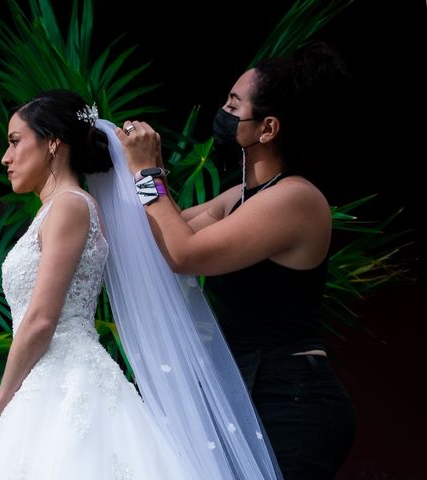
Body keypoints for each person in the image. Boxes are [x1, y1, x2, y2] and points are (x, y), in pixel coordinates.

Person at [117, 41, 357, 479]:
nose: (223, 112)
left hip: (292, 399)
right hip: (253, 393)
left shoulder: (295, 199)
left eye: (233, 104)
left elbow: (183, 253)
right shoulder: (241, 198)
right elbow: (161, 232)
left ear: (267, 129)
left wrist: (147, 174)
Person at [0, 89, 192, 479]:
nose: (6, 158)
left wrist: (2, 400)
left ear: (53, 141)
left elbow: (40, 320)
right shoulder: (60, 209)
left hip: (66, 380)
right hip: (49, 379)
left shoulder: (69, 206)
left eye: (15, 142)